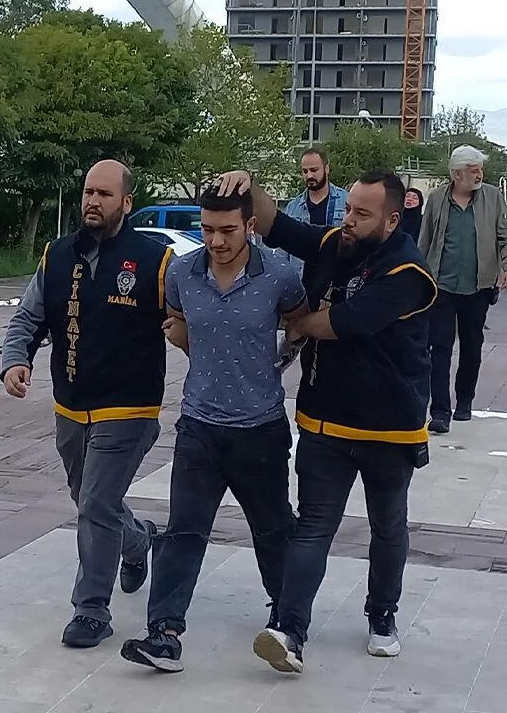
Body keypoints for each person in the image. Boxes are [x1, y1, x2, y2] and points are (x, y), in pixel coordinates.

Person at [213, 167, 438, 675]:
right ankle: (289, 631)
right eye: (349, 209)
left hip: (390, 427)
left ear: (392, 220)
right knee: (313, 528)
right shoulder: (338, 243)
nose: (349, 220)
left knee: (387, 526)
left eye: (363, 213)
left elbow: (344, 323)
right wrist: (248, 184)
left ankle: (382, 615)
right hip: (325, 422)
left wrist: (294, 322)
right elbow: (277, 225)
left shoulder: (408, 273)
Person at [119, 186, 308, 673]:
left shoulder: (280, 275)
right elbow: (178, 320)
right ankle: (164, 634)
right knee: (183, 530)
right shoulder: (182, 272)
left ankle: (287, 626)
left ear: (250, 226)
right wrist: (186, 341)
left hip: (260, 429)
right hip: (199, 426)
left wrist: (278, 362)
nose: (217, 241)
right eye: (207, 230)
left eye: (227, 230)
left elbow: (300, 323)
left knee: (273, 529)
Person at [0, 159, 167, 649]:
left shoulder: (155, 262)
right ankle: (139, 540)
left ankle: (91, 610)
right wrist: (15, 360)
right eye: (89, 192)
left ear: (126, 203)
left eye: (105, 194)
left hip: (130, 410)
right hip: (72, 407)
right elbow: (28, 317)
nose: (93, 201)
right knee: (90, 500)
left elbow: (191, 317)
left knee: (95, 503)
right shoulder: (56, 255)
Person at [417, 145, 507, 434]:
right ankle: (440, 412)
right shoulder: (437, 199)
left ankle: (464, 401)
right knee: (439, 348)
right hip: (441, 287)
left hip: (479, 288)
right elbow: (424, 241)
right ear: (457, 174)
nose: (479, 175)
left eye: (480, 170)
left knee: (471, 346)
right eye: (473, 170)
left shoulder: (493, 197)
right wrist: (417, 277)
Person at [283, 147, 348, 227]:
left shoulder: (346, 201)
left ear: (326, 169)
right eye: (305, 171)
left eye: (314, 170)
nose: (309, 176)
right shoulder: (292, 208)